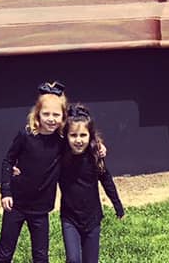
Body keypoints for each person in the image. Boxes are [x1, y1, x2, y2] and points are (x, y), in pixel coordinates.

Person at [0, 80, 68, 263]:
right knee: (5, 253)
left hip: (41, 209)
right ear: (37, 114)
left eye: (56, 115)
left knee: (41, 256)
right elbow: (8, 161)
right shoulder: (26, 135)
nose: (51, 119)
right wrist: (6, 192)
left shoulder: (62, 140)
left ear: (63, 117)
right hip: (16, 205)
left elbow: (83, 127)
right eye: (46, 114)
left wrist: (99, 145)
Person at [58, 103, 124, 263]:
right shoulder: (59, 156)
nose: (78, 140)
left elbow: (106, 180)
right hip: (70, 218)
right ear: (66, 136)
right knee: (73, 260)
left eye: (83, 135)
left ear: (90, 135)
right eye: (73, 135)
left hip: (93, 218)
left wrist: (117, 204)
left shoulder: (95, 157)